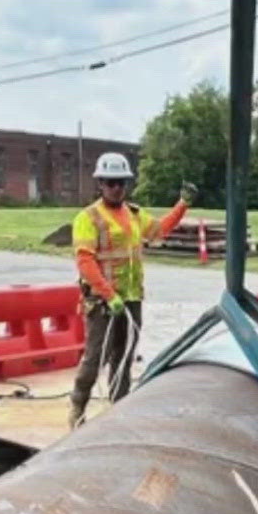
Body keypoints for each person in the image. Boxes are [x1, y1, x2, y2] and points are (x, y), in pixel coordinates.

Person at [68, 152, 190, 428]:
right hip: (103, 303)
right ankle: (78, 406)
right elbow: (85, 261)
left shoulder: (134, 214)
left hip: (131, 300)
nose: (117, 188)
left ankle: (117, 411)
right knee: (95, 357)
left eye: (121, 182)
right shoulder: (88, 218)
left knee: (124, 357)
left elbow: (158, 230)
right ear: (100, 183)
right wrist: (109, 295)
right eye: (111, 182)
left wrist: (183, 205)